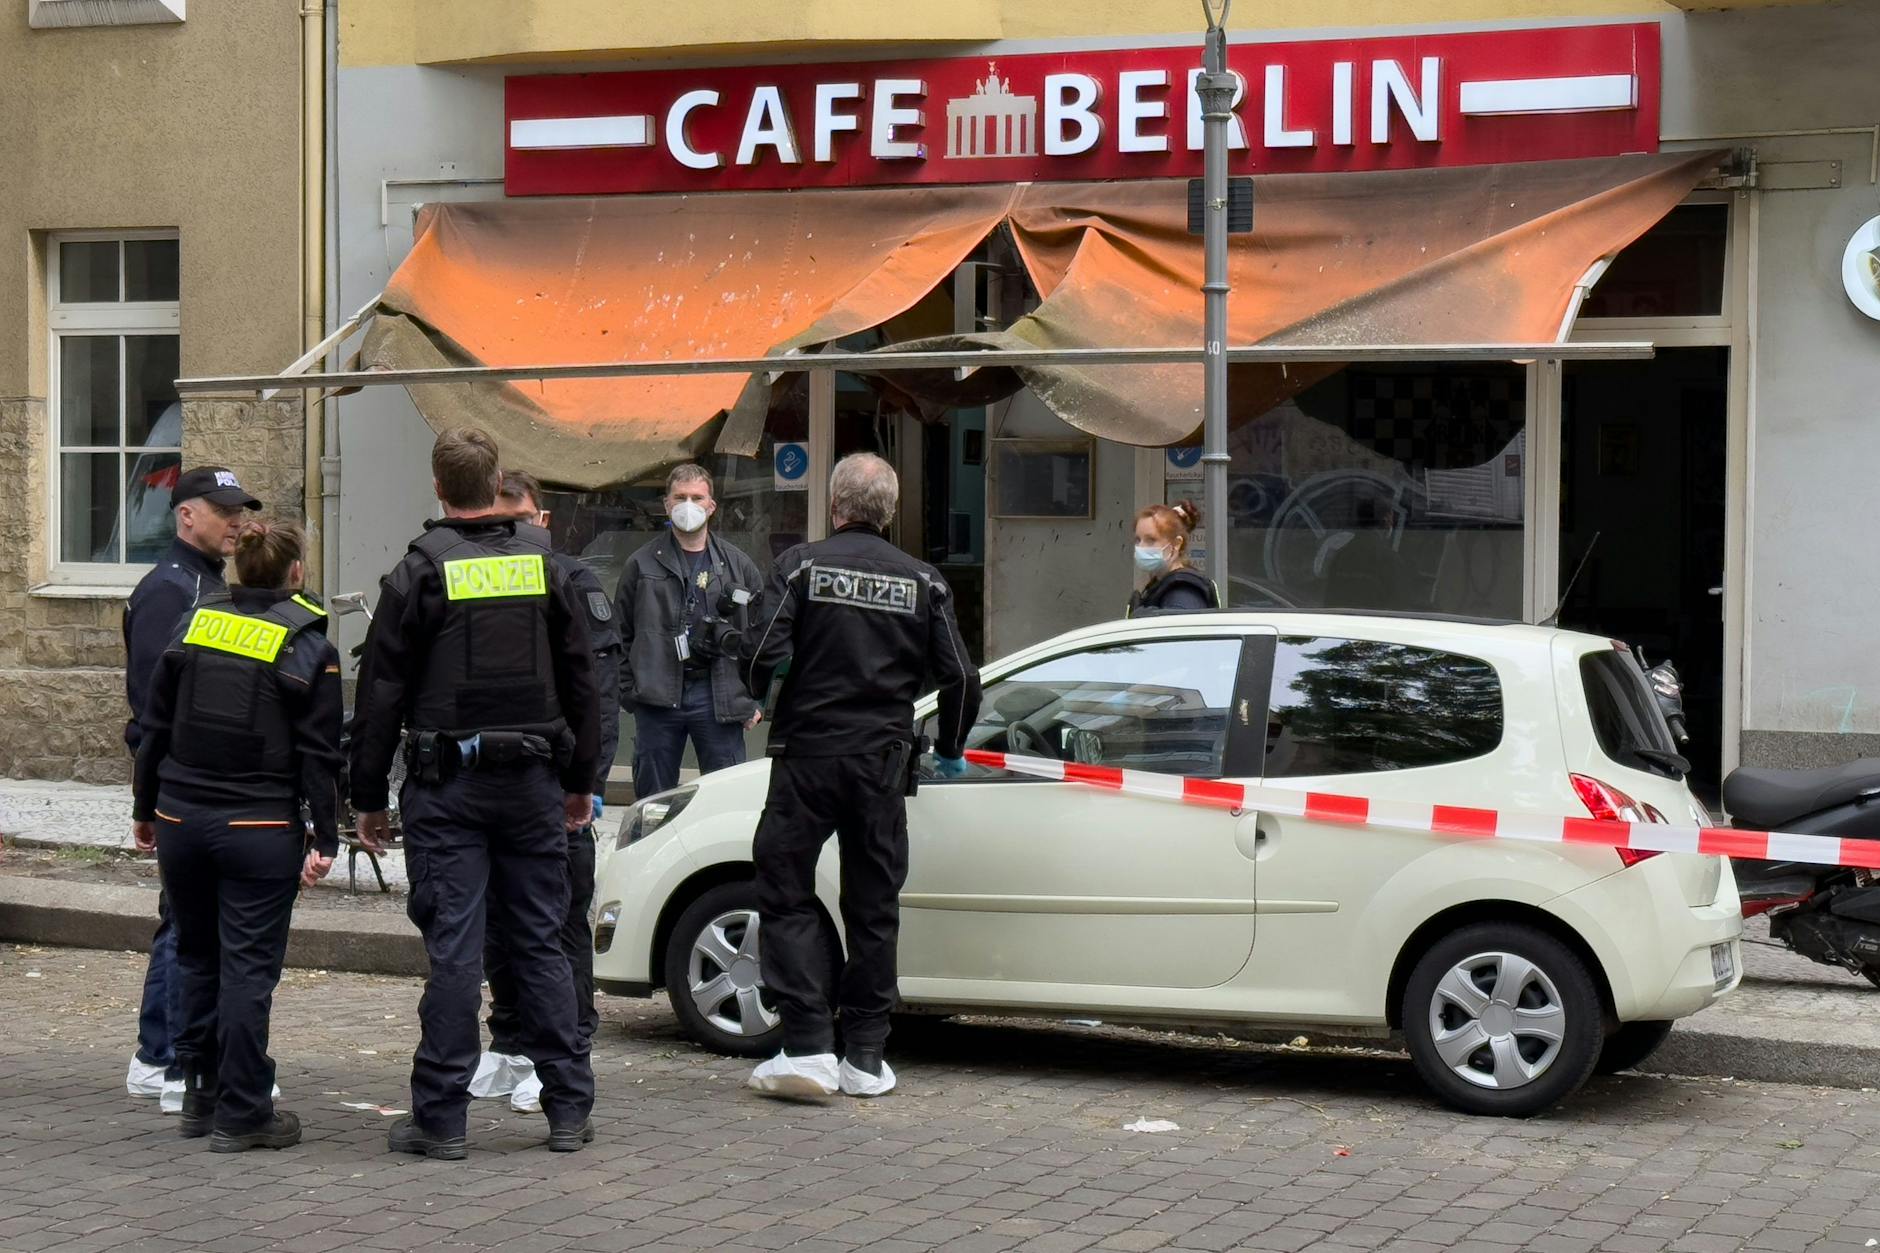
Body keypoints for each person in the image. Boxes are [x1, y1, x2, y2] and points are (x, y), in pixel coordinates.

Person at [348, 427, 602, 1159]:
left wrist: (368, 796)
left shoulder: (418, 573)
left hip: (448, 787)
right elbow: (583, 680)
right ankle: (566, 1109)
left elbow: (381, 693)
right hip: (531, 785)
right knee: (543, 943)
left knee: (456, 951)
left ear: (437, 486)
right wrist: (580, 780)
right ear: (495, 486)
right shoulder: (546, 568)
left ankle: (442, 1119)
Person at [740, 452, 980, 1100]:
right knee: (873, 906)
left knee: (786, 891)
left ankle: (808, 1044)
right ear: (890, 511)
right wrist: (952, 744)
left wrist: (758, 687)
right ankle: (866, 1057)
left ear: (835, 505)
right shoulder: (924, 580)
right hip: (881, 764)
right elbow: (958, 673)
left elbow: (760, 646)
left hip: (807, 759)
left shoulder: (802, 565)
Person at [129, 519, 340, 1152]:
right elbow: (319, 756)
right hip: (258, 825)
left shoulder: (193, 624)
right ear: (295, 573)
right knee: (248, 969)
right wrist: (326, 839)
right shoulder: (307, 644)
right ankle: (245, 1111)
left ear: (241, 569)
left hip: (181, 820)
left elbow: (153, 726)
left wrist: (145, 807)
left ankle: (200, 1093)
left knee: (195, 957)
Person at [474, 470, 620, 1113]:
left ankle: (563, 1052)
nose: (512, 529)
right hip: (490, 787)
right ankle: (509, 1044)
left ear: (544, 519)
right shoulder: (468, 575)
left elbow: (600, 698)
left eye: (522, 516)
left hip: (556, 787)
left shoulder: (572, 580)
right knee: (497, 929)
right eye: (499, 518)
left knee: (559, 928)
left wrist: (583, 784)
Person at [121, 465, 263, 1101]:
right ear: (186, 515)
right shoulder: (167, 591)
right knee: (189, 925)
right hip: (185, 780)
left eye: (239, 511)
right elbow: (158, 703)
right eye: (222, 510)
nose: (236, 521)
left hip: (196, 781)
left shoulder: (206, 582)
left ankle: (159, 1050)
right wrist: (157, 793)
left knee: (184, 919)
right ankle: (172, 1056)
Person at [614, 464, 764, 801]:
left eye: (697, 497)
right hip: (657, 698)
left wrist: (754, 699)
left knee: (726, 799)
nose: (688, 505)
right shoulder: (641, 565)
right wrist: (630, 690)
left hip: (718, 696)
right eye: (680, 497)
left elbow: (763, 638)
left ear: (712, 506)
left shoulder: (738, 566)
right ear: (666, 505)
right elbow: (619, 634)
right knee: (653, 801)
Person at [1127, 499, 1219, 616]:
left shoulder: (1183, 593)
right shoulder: (1160, 584)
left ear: (1176, 544)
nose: (1141, 547)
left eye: (1151, 540)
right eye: (1138, 540)